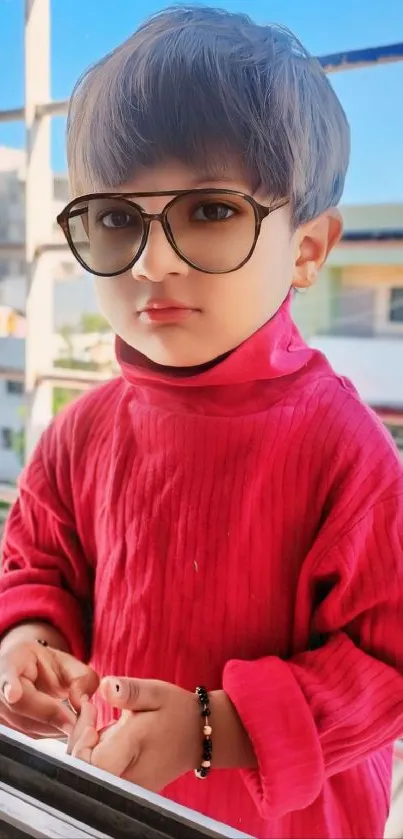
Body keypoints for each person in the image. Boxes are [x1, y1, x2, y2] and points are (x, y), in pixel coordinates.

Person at [0, 5, 402, 838]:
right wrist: (29, 646)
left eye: (210, 211)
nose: (152, 260)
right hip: (98, 807)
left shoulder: (345, 452)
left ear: (306, 248)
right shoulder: (79, 433)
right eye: (115, 218)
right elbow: (37, 565)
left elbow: (388, 663)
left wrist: (216, 725)